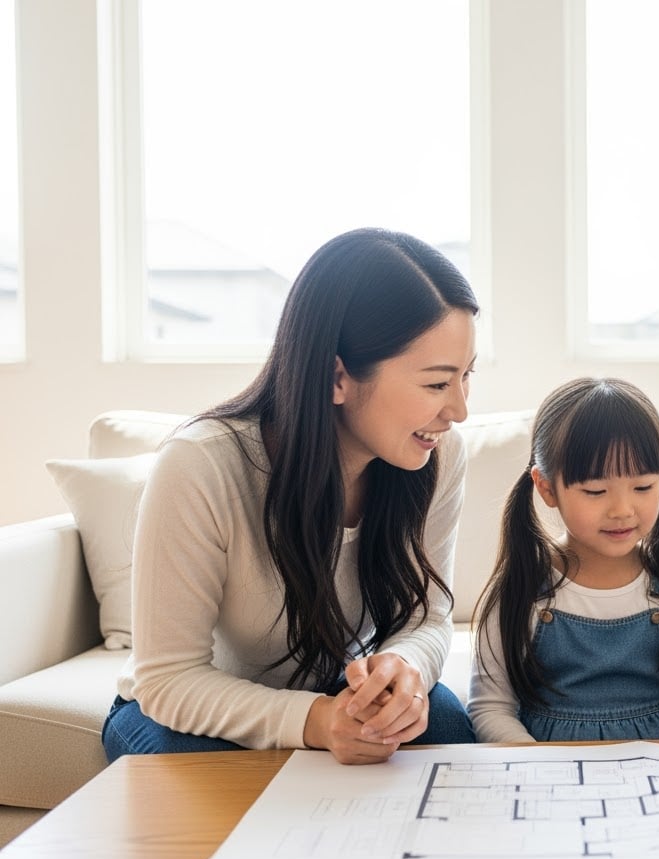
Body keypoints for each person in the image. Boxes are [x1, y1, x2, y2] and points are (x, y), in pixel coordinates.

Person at [102, 227, 480, 765]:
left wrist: (405, 670)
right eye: (437, 384)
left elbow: (427, 618)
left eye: (468, 376)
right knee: (206, 776)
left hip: (331, 689)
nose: (459, 409)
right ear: (336, 376)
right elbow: (168, 680)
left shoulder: (436, 457)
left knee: (444, 725)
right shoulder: (202, 464)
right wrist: (316, 722)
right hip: (178, 711)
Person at [468, 377, 659, 742]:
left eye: (644, 487)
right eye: (596, 491)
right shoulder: (522, 588)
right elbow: (490, 707)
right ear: (547, 488)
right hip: (550, 775)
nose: (622, 509)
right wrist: (533, 763)